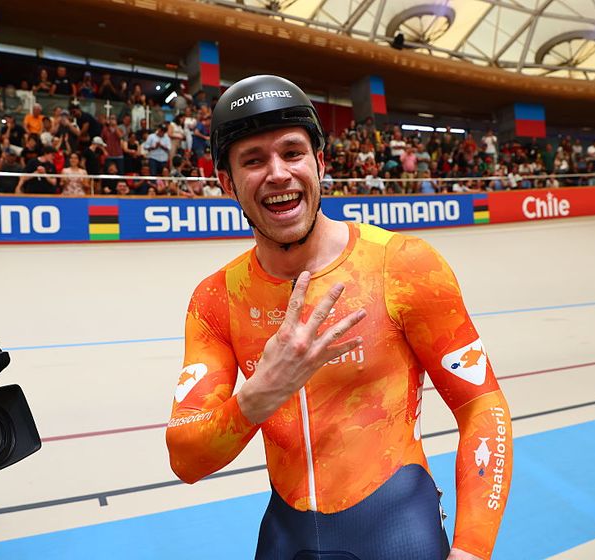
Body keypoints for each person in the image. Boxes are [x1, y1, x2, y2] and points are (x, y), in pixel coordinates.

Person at [165, 75, 512, 560]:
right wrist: (263, 392)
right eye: (253, 160)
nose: (278, 173)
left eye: (292, 152)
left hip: (396, 525)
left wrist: (473, 549)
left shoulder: (404, 265)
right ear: (227, 183)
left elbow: (482, 406)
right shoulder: (216, 300)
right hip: (288, 535)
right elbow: (185, 457)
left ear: (320, 162)